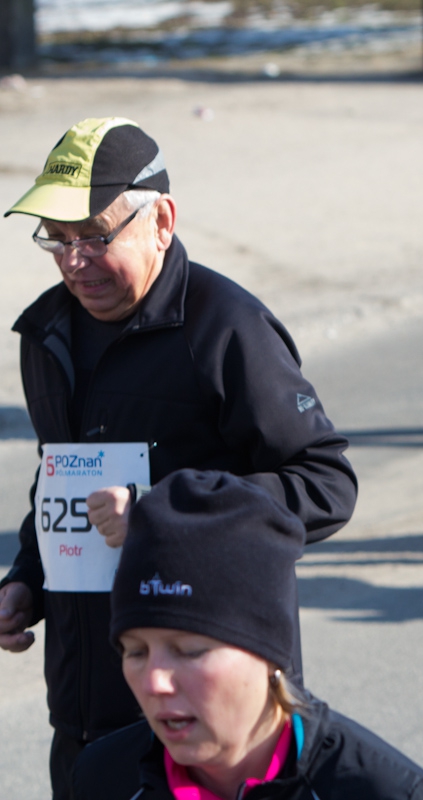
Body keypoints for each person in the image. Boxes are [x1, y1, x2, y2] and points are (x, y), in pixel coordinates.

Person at [0, 117, 358, 798]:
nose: (74, 261)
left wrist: (162, 514)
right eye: (57, 238)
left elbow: (326, 484)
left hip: (209, 721)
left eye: (95, 236)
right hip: (83, 710)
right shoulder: (46, 331)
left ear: (161, 220)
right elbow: (61, 481)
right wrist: (27, 579)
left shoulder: (226, 326)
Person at [69, 468, 423, 800]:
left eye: (189, 650)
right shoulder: (102, 778)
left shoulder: (388, 792)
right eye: (136, 651)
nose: (154, 682)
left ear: (269, 653)